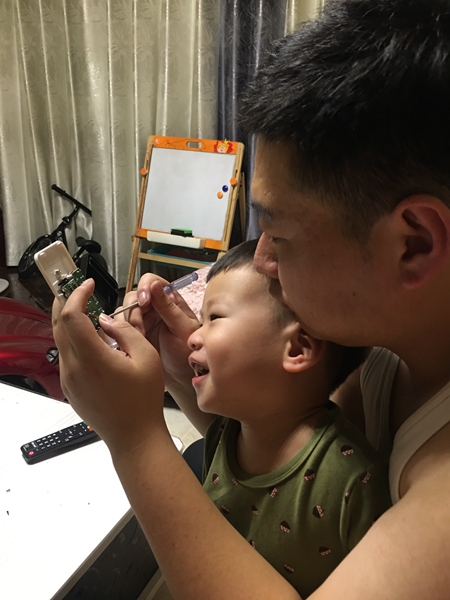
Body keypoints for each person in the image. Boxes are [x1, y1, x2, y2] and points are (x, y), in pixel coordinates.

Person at [52, 0, 450, 598]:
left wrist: (134, 438)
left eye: (278, 234)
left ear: (413, 244)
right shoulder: (392, 345)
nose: (262, 259)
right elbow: (285, 443)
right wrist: (181, 375)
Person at [183, 239, 390, 597]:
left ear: (297, 348)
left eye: (214, 318)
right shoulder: (223, 435)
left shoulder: (353, 483)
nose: (193, 337)